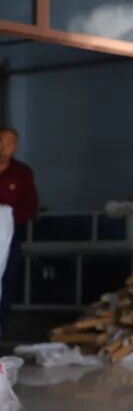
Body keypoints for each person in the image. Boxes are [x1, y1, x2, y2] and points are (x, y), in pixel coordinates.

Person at [0, 127, 39, 328]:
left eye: (10, 142)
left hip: (9, 234)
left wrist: (9, 219)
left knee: (7, 276)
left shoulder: (22, 173)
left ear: (15, 147)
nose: (4, 146)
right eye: (1, 141)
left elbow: (30, 204)